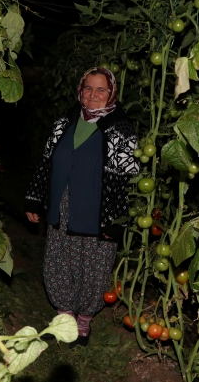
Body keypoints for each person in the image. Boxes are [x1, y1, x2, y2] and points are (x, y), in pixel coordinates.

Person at [25, 66, 139, 344]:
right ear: (80, 90)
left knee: (95, 267)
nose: (93, 94)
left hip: (98, 210)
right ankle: (64, 317)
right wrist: (35, 198)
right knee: (58, 259)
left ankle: (84, 320)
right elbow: (46, 162)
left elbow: (129, 178)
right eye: (88, 88)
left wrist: (116, 220)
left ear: (111, 93)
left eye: (101, 89)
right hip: (62, 205)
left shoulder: (120, 129)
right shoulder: (66, 121)